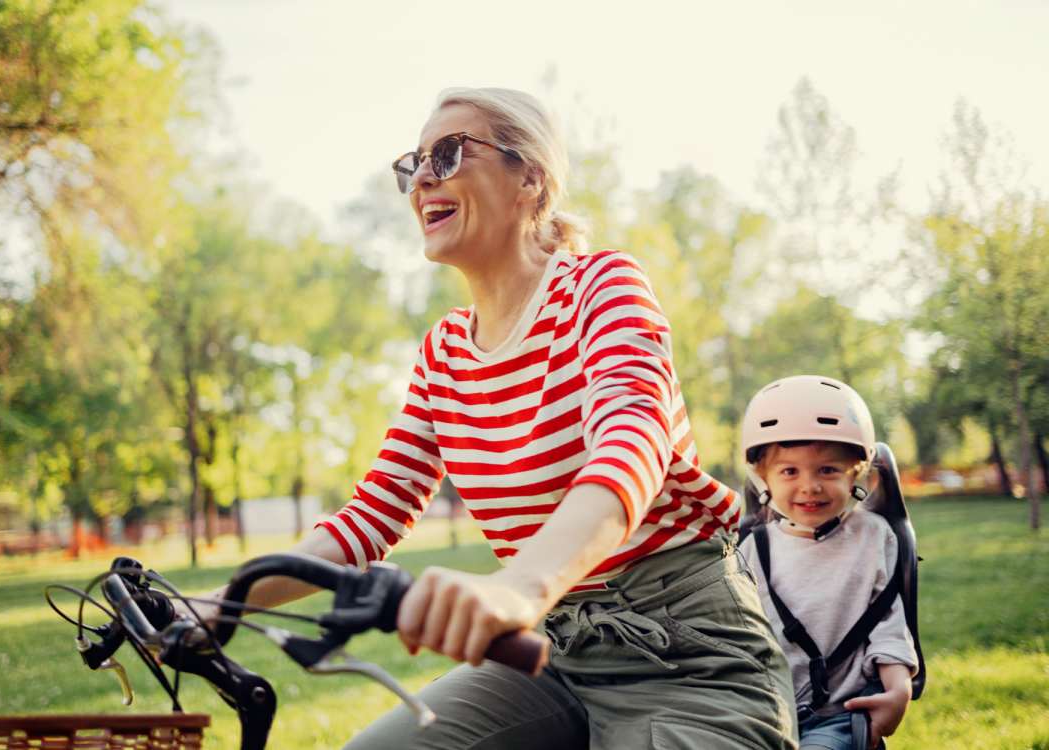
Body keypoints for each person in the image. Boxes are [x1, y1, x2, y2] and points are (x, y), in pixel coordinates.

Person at [211, 87, 797, 749]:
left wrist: (520, 587)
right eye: (414, 163)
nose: (422, 178)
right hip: (552, 653)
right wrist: (219, 603)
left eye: (450, 152)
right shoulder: (444, 353)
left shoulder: (602, 286)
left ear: (531, 178)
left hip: (687, 649)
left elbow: (632, 440)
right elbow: (369, 518)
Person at [739, 375, 919, 749]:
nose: (810, 486)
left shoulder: (872, 537)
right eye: (790, 471)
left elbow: (888, 621)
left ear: (858, 473)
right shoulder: (753, 548)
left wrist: (898, 688)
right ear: (763, 477)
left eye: (828, 470)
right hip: (763, 712)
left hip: (840, 713)